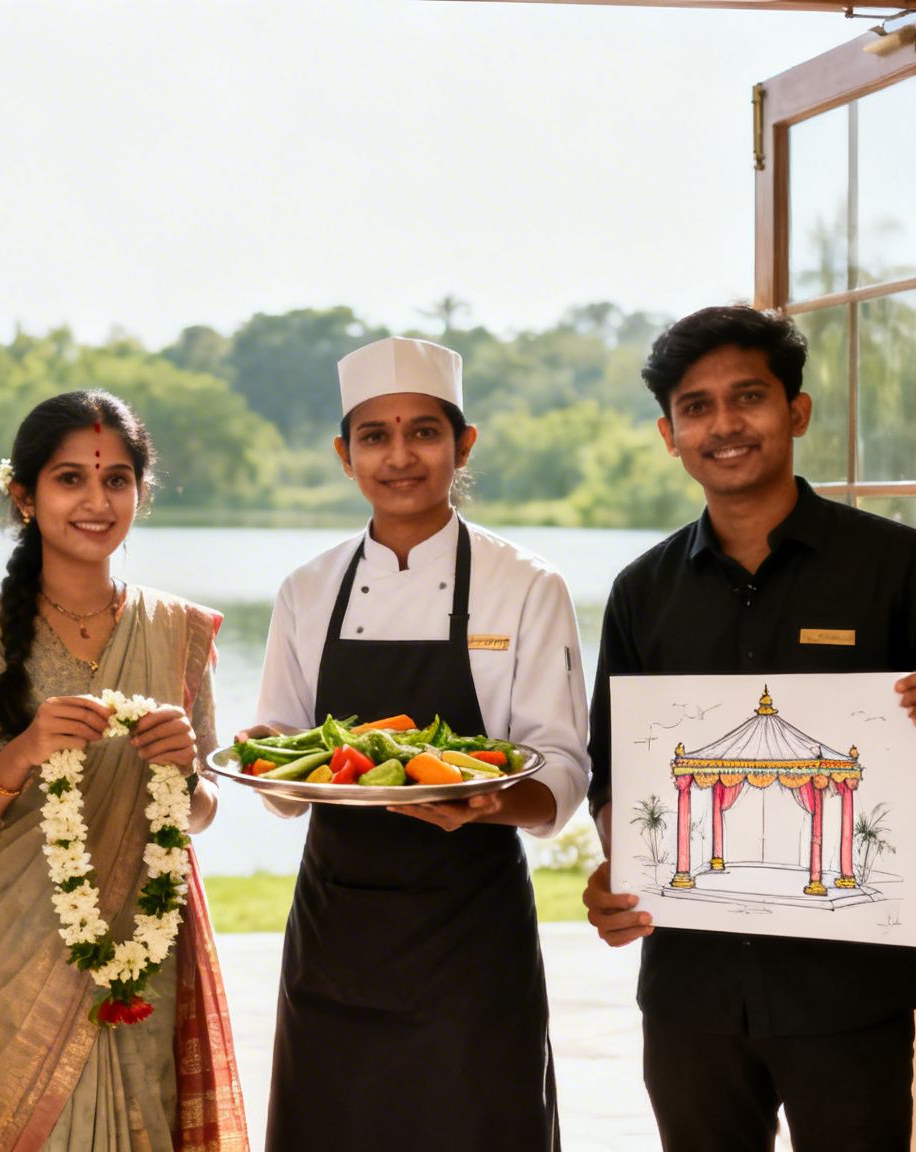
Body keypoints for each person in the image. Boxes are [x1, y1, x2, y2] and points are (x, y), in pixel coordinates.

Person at [581, 305, 916, 1152]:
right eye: (696, 407)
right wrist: (624, 868)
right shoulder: (642, 591)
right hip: (690, 992)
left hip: (848, 990)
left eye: (748, 397)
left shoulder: (898, 566)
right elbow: (617, 776)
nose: (725, 424)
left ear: (797, 411)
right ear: (670, 434)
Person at [245, 336, 588, 1150]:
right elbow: (283, 772)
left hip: (470, 934)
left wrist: (489, 802)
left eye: (424, 432)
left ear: (462, 445)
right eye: (374, 435)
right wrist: (267, 761)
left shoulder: (526, 585)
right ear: (344, 454)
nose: (400, 456)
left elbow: (563, 765)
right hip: (336, 933)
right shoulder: (307, 589)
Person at [0, 390, 249, 1152]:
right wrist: (23, 754)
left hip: (147, 956)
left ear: (140, 492)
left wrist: (186, 772)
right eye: (71, 480)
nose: (97, 502)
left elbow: (204, 809)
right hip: (16, 955)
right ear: (23, 496)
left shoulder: (177, 630)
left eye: (118, 480)